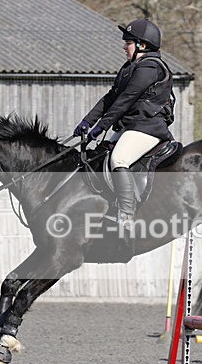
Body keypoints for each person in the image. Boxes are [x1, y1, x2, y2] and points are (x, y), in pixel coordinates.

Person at [73, 18, 175, 228]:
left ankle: (126, 214)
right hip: (132, 127)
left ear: (142, 45)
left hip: (147, 128)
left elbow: (126, 100)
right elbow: (111, 97)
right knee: (99, 156)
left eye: (128, 42)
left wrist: (101, 126)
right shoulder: (130, 67)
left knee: (119, 159)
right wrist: (87, 121)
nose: (124, 47)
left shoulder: (150, 67)